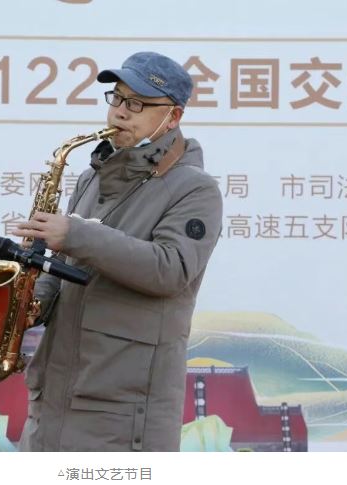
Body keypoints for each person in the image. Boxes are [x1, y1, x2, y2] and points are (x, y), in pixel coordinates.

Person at [13, 51, 223, 452]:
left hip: (124, 412)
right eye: (118, 98)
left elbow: (171, 270)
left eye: (138, 104)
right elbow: (67, 268)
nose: (121, 112)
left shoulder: (196, 189)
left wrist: (74, 234)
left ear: (173, 117)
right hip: (53, 401)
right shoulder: (89, 179)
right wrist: (28, 299)